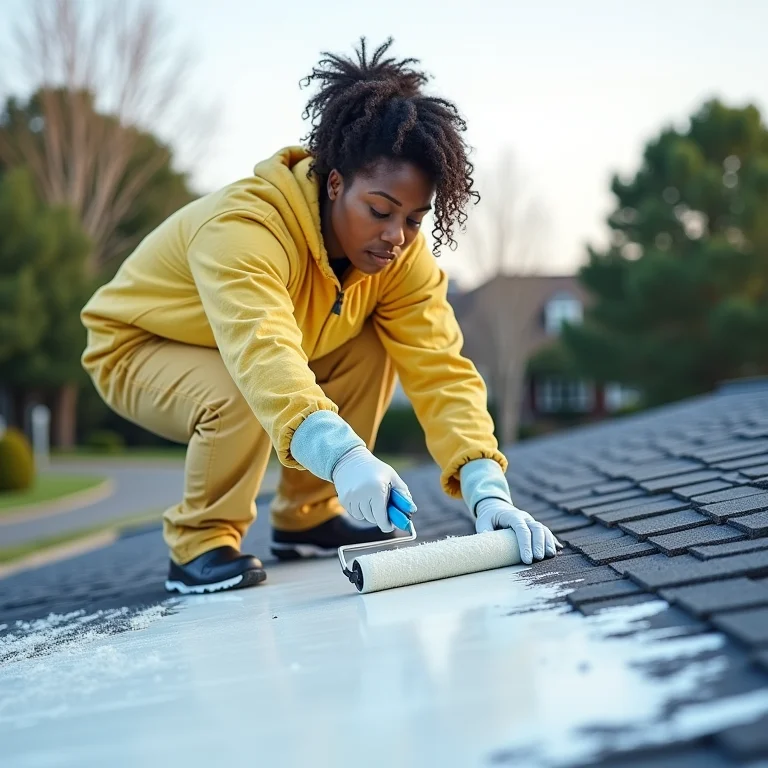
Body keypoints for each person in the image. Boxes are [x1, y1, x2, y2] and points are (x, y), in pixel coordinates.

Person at [80, 38, 561, 595]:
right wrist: (345, 457)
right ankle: (200, 542)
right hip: (136, 346)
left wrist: (487, 490)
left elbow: (441, 368)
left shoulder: (401, 262)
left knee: (374, 345)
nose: (396, 236)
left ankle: (306, 517)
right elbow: (262, 354)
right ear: (335, 183)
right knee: (237, 389)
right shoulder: (246, 228)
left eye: (413, 220)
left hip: (242, 352)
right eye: (379, 210)